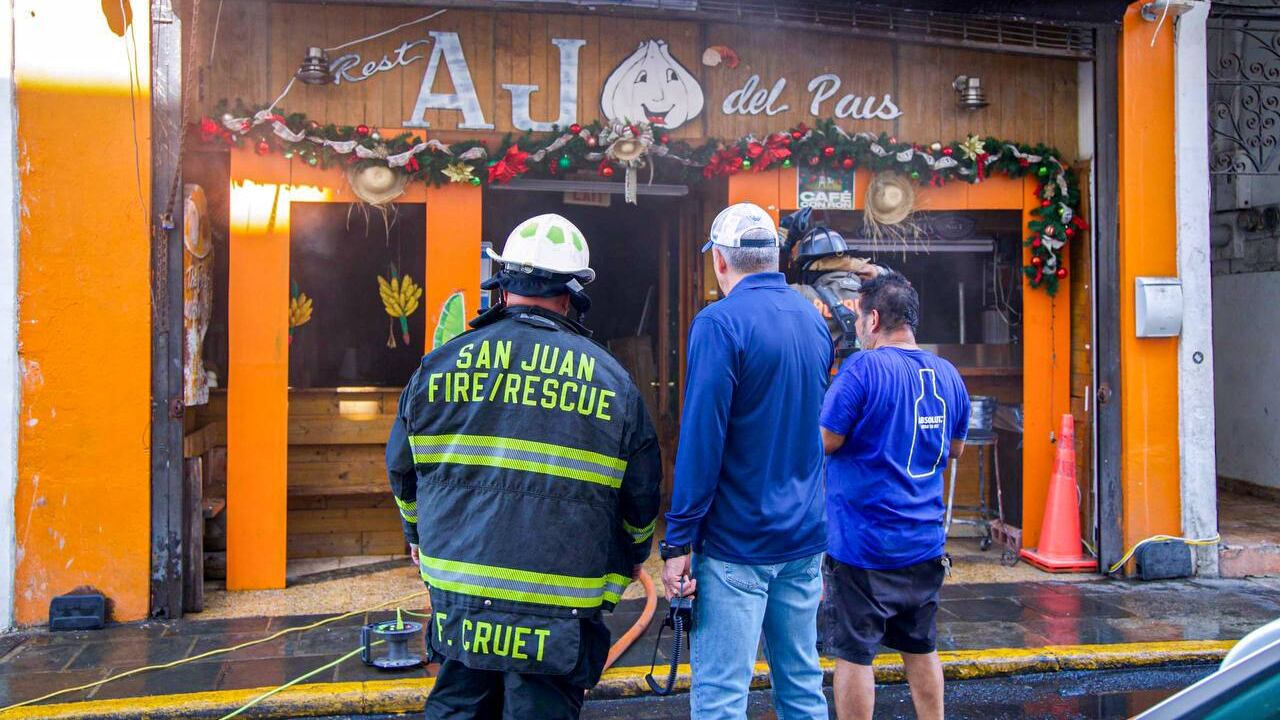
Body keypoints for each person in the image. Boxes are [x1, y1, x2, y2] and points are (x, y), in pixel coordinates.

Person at [386, 213, 662, 720]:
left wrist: (418, 535)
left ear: (504, 287)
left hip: (463, 604)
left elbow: (404, 472)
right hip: (558, 612)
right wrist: (624, 565)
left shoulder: (439, 366)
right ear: (570, 296)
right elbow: (641, 500)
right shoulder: (613, 383)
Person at [660, 202, 833, 719]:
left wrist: (679, 539)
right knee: (802, 685)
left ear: (720, 262)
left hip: (738, 543)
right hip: (804, 538)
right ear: (775, 258)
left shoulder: (719, 323)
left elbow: (701, 439)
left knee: (721, 698)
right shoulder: (812, 318)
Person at [818, 268, 971, 720]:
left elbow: (825, 439)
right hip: (923, 542)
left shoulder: (862, 368)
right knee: (921, 648)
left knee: (855, 655)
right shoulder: (947, 374)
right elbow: (956, 447)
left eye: (861, 318)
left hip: (864, 546)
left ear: (874, 318)